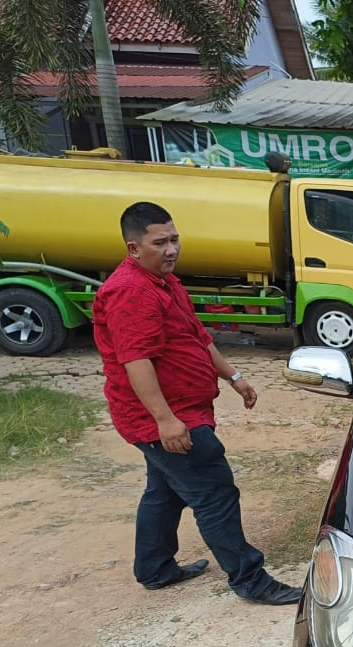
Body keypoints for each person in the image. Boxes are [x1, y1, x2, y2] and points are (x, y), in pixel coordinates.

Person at [91, 201, 302, 605]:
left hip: (184, 409)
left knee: (165, 490)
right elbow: (136, 362)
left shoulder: (164, 282)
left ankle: (155, 568)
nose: (171, 249)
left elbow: (197, 336)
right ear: (134, 248)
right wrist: (165, 421)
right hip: (165, 418)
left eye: (174, 239)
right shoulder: (130, 292)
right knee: (214, 491)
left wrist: (234, 377)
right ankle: (250, 580)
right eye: (160, 242)